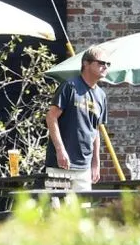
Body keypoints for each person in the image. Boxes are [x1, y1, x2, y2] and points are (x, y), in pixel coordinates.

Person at [46, 48, 109, 192]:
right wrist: (60, 150)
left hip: (84, 167)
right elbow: (51, 117)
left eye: (108, 64)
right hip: (60, 164)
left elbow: (96, 130)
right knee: (58, 211)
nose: (105, 67)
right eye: (101, 63)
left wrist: (95, 163)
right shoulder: (69, 86)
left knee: (83, 211)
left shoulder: (101, 95)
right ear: (86, 63)